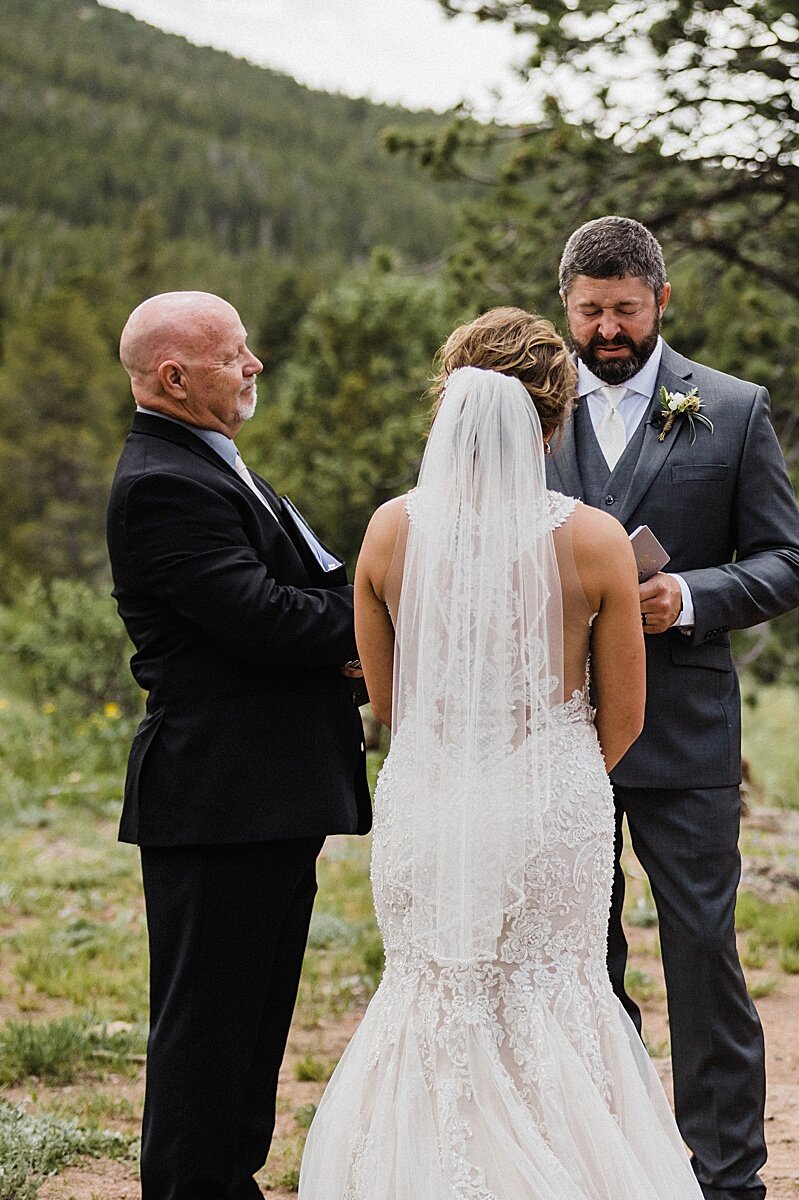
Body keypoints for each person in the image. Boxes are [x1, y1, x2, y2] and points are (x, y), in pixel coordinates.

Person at [299, 309, 703, 1199]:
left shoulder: (388, 532)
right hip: (549, 796)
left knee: (437, 996)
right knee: (552, 999)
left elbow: (392, 701)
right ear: (552, 423)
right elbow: (625, 717)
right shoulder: (595, 539)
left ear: (448, 409)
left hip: (430, 795)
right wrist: (549, 776)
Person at [546, 217, 799, 1200]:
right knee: (578, 950)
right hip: (559, 729)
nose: (607, 329)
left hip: (687, 730)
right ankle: (603, 1158)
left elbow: (790, 561)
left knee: (702, 951)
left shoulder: (734, 412)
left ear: (662, 300)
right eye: (589, 310)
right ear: (564, 307)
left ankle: (728, 1175)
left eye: (624, 309)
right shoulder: (525, 410)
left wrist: (689, 596)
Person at [106, 291, 370, 1200]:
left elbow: (314, 587)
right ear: (174, 377)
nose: (255, 363)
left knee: (253, 1025)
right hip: (221, 796)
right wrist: (359, 630)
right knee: (208, 1030)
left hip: (264, 794)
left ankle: (229, 1181)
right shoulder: (162, 485)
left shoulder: (216, 465)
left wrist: (342, 621)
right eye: (235, 354)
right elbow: (263, 617)